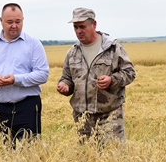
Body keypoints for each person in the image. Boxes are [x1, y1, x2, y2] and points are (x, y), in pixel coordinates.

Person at [0, 3, 49, 147]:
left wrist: (16, 79)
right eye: (9, 22)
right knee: (3, 153)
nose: (14, 25)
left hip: (27, 107)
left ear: (23, 20)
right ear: (1, 21)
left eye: (18, 22)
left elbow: (43, 74)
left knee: (28, 152)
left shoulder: (33, 44)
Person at [57, 7, 136, 144]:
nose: (78, 31)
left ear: (94, 24)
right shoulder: (73, 52)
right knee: (88, 159)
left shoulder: (112, 48)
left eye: (82, 26)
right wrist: (65, 86)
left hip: (109, 115)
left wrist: (111, 80)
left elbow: (129, 73)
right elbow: (67, 77)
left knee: (112, 158)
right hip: (82, 117)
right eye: (75, 27)